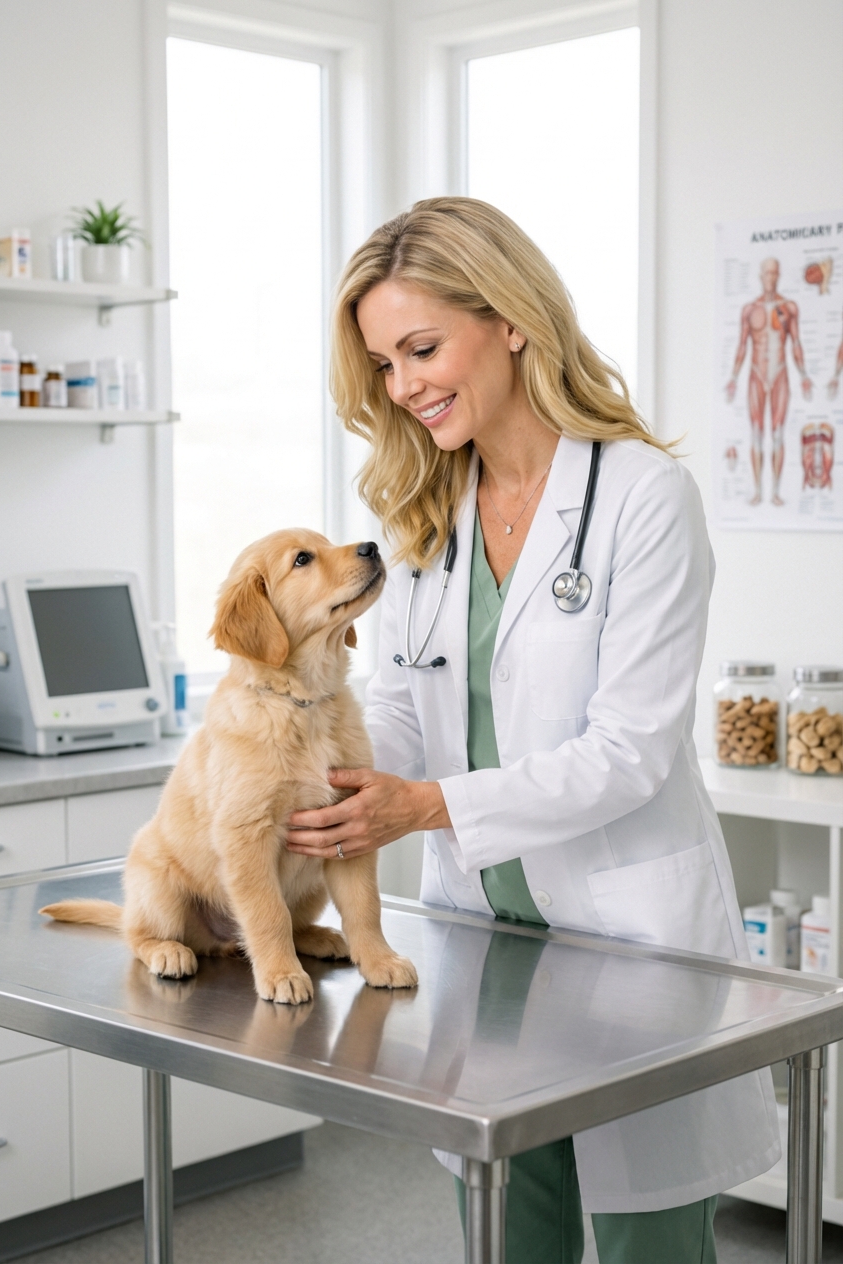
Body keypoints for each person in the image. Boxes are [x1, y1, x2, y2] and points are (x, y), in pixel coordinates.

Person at [286, 197, 779, 1263]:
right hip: (488, 947)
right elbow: (408, 722)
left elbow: (629, 749)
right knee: (511, 1231)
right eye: (382, 364)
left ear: (508, 318)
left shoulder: (643, 497)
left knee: (650, 1239)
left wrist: (423, 807)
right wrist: (309, 779)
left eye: (421, 347)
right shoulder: (419, 515)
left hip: (629, 949)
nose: (403, 385)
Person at [725, 257, 812, 506]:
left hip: (780, 374)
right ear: (761, 275)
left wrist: (804, 374)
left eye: (775, 273)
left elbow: (796, 343)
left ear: (779, 275)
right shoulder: (750, 310)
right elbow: (742, 346)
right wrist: (733, 377)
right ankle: (757, 491)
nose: (771, 278)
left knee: (777, 434)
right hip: (756, 375)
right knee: (755, 433)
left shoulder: (789, 308)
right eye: (767, 273)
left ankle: (774, 491)